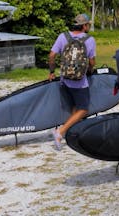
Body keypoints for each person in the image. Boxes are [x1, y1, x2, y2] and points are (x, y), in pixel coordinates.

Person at [48, 13, 96, 151]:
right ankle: (60, 132)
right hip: (80, 82)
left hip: (65, 80)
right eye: (89, 25)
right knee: (83, 110)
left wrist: (52, 72)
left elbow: (52, 56)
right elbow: (92, 61)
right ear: (85, 26)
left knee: (74, 108)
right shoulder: (90, 39)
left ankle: (72, 133)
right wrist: (90, 70)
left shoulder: (63, 36)